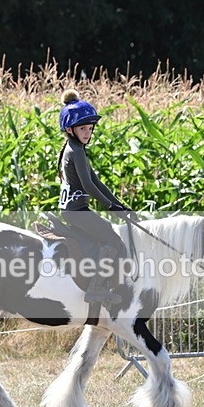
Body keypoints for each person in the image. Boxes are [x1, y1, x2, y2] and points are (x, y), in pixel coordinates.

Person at [56, 89, 136, 306]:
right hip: (76, 211)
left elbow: (97, 182)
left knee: (105, 235)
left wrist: (120, 205)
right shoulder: (77, 151)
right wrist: (111, 207)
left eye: (90, 128)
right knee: (113, 240)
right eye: (83, 128)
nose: (87, 133)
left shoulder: (75, 148)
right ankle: (96, 290)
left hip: (74, 209)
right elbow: (89, 186)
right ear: (70, 129)